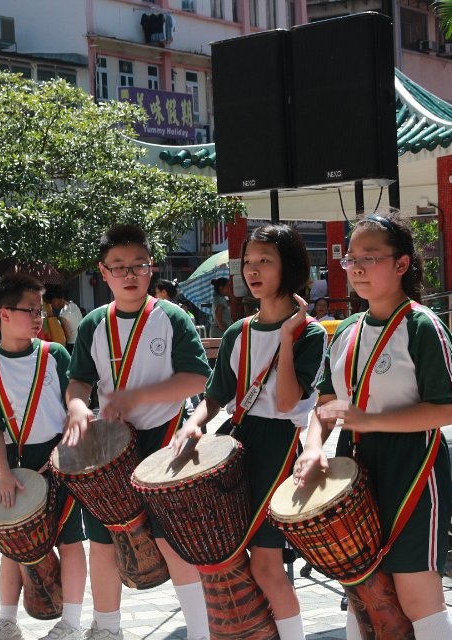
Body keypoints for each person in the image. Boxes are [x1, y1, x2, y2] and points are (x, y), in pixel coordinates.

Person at [294, 212, 452, 640]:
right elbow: (325, 405)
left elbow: (445, 410)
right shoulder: (346, 330)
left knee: (418, 597)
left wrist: (369, 420)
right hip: (354, 467)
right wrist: (312, 448)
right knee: (364, 594)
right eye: (351, 259)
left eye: (369, 257)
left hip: (413, 467)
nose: (357, 267)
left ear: (402, 264)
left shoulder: (422, 326)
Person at [172, 223, 327, 639]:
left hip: (280, 446)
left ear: (289, 266)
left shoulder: (311, 333)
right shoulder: (238, 332)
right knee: (234, 559)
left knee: (266, 564)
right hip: (236, 442)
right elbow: (215, 395)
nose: (253, 271)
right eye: (248, 262)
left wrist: (288, 338)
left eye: (265, 261)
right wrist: (193, 424)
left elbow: (287, 403)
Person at [62, 224, 212, 640]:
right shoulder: (93, 324)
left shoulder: (172, 317)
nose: (129, 274)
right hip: (109, 449)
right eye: (118, 266)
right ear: (102, 272)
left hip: (164, 441)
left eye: (138, 265)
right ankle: (107, 629)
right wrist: (77, 407)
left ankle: (201, 632)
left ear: (152, 267)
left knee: (171, 540)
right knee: (103, 542)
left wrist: (138, 396)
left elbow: (198, 379)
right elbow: (79, 382)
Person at [0, 274, 87, 640]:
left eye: (40, 310)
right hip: (16, 463)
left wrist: (72, 438)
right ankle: (7, 622)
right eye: (30, 310)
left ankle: (71, 623)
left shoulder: (55, 354)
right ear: (5, 314)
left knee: (69, 539)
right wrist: (3, 474)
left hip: (60, 458)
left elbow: (73, 404)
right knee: (13, 545)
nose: (38, 318)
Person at [46, 286, 83, 353]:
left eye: (52, 303)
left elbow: (68, 334)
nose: (52, 306)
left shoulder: (63, 314)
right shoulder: (73, 305)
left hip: (72, 345)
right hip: (81, 340)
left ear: (55, 300)